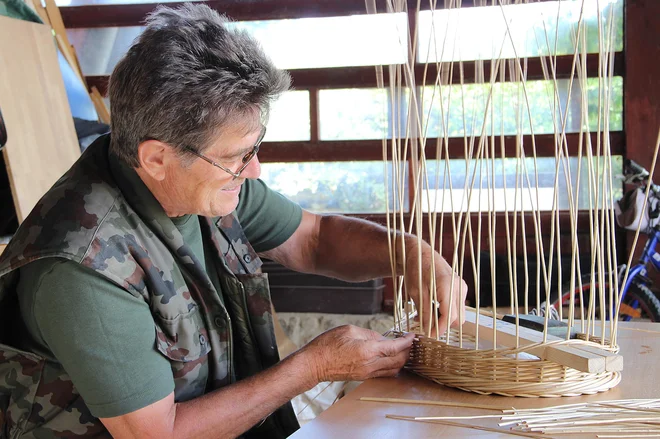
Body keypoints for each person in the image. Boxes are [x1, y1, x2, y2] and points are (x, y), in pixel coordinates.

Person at [0, 4, 467, 438]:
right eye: (236, 157)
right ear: (158, 157)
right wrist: (314, 367)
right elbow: (159, 433)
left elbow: (316, 239)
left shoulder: (203, 182)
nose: (254, 170)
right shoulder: (81, 268)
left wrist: (413, 256)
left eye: (254, 149)